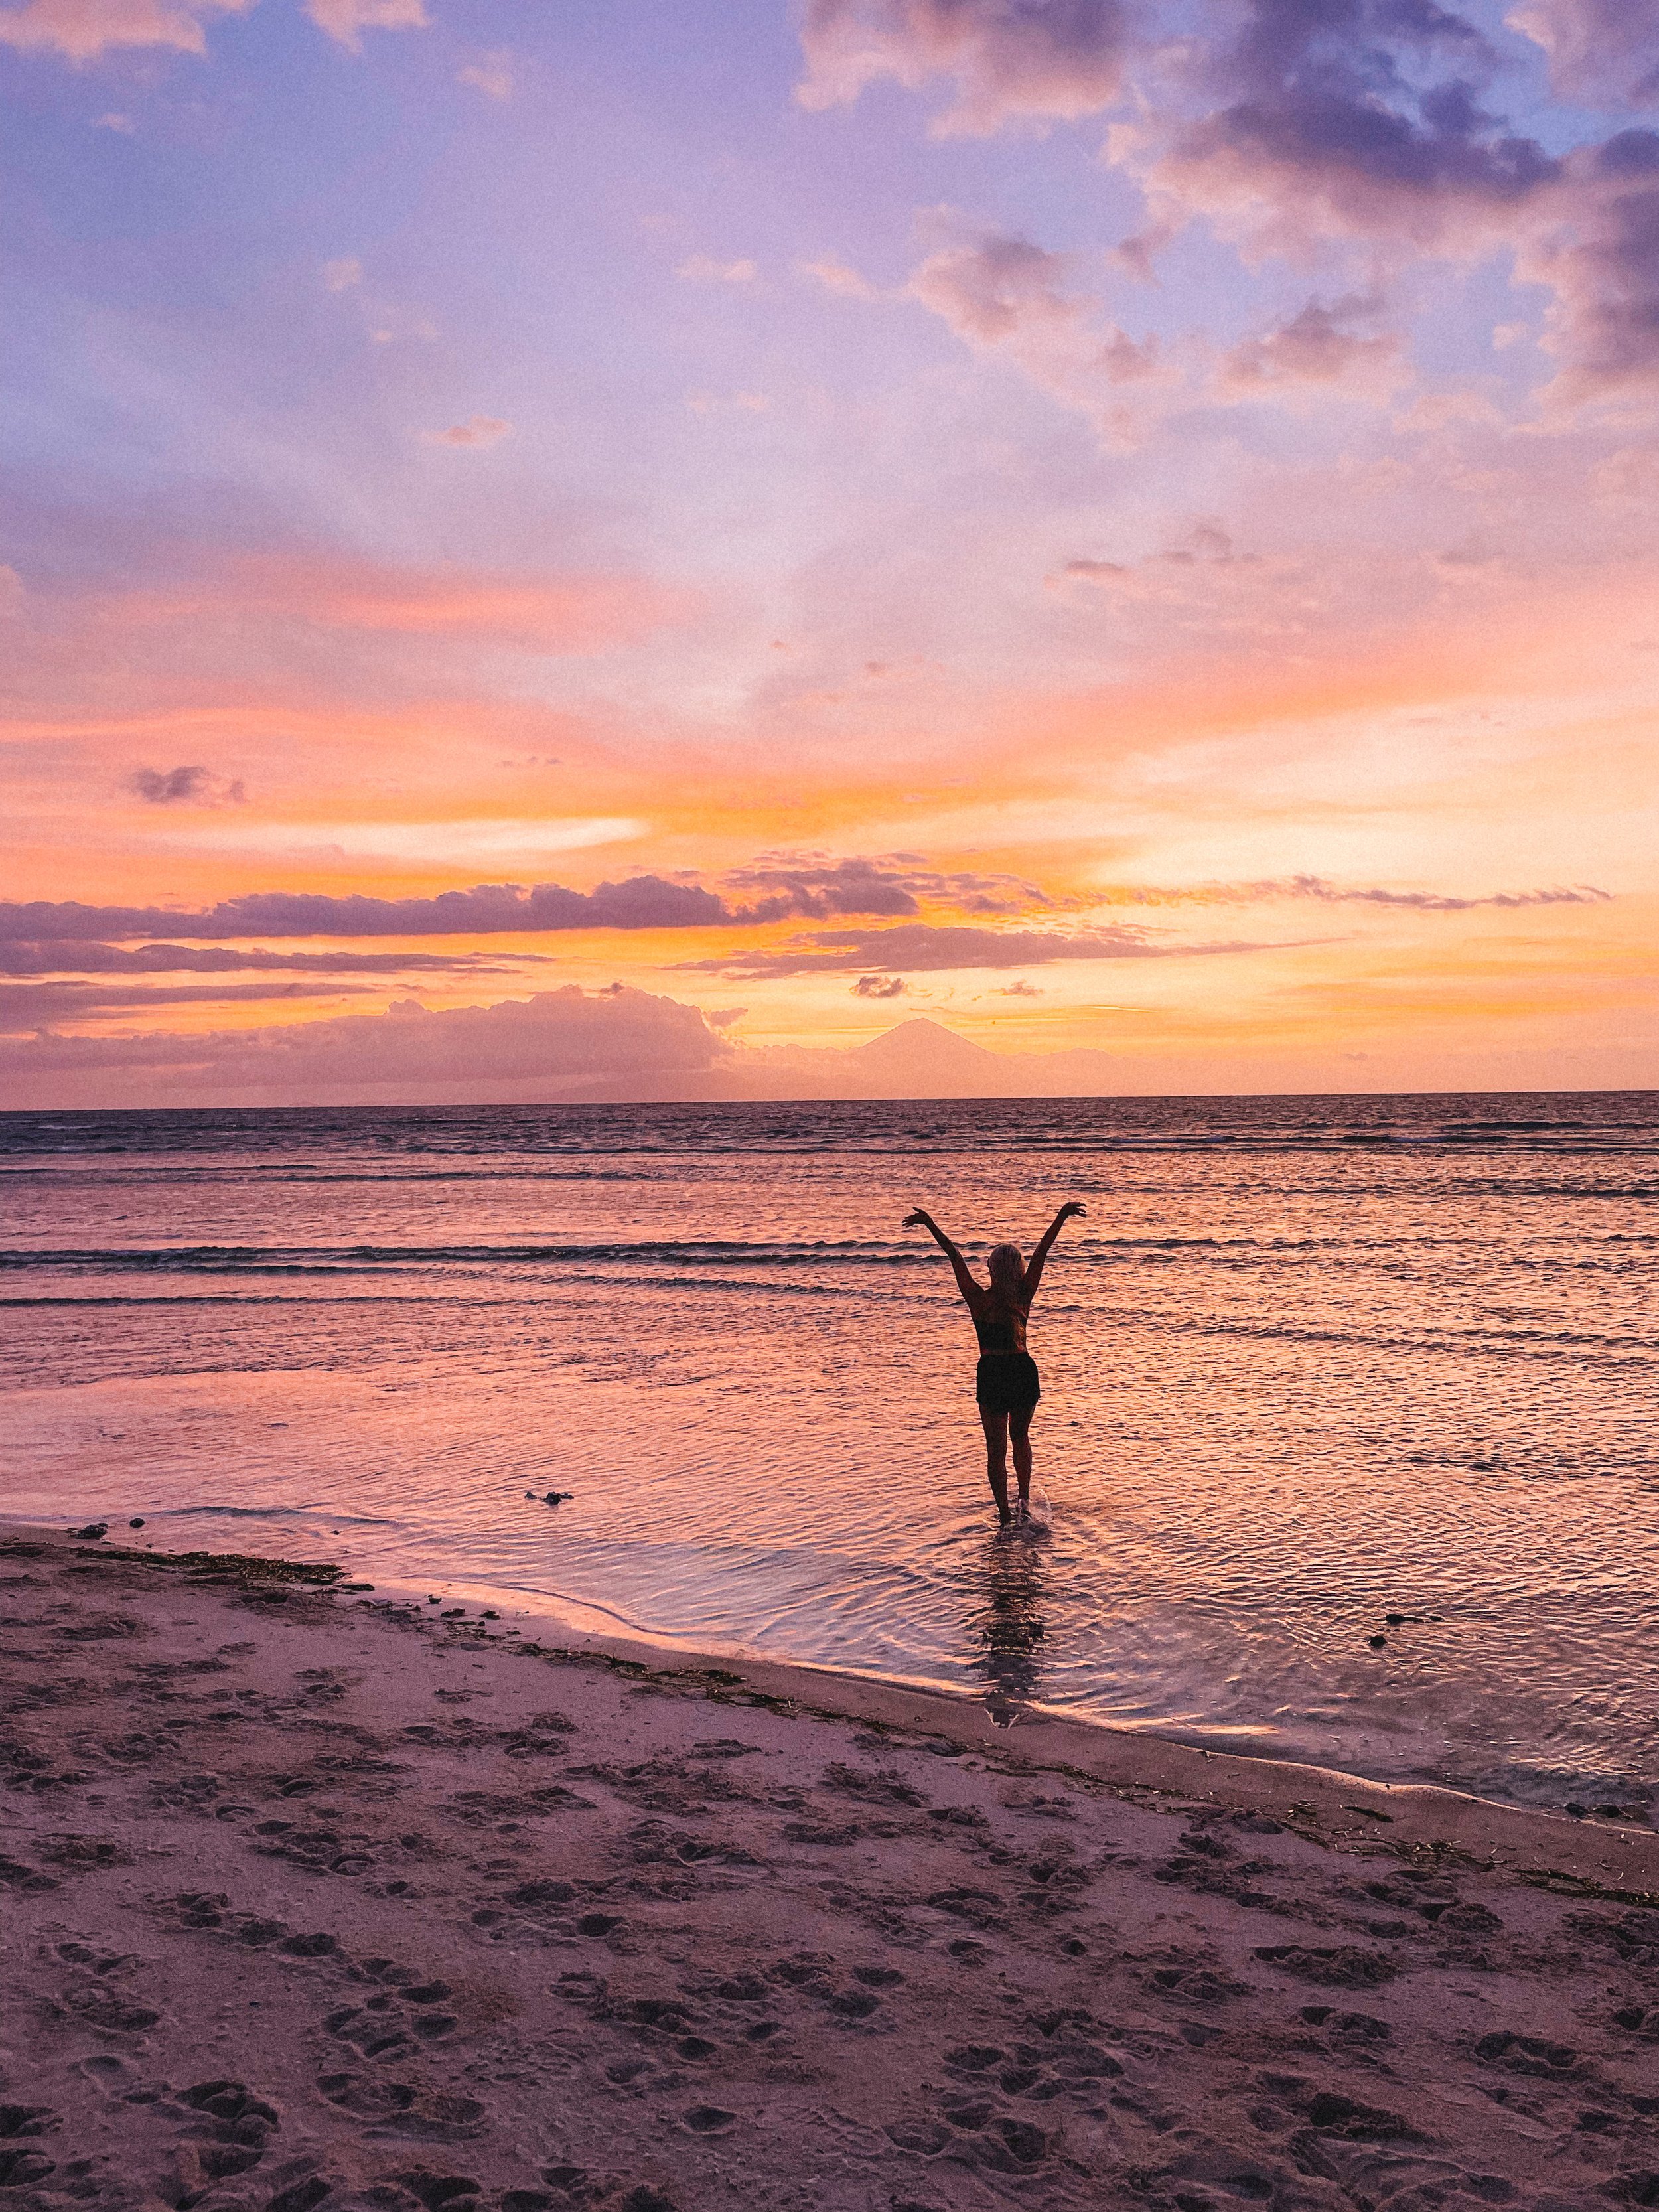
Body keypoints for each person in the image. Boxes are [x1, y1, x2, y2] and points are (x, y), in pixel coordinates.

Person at [902, 1201, 1086, 1525]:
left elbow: (954, 1257)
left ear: (991, 1269)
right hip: (1021, 1369)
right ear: (1018, 1269)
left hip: (993, 1372)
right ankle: (1024, 1501)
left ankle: (1004, 1515)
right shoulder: (1024, 1293)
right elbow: (1043, 1252)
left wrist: (931, 1224)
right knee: (1021, 1437)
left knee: (996, 1448)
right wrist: (1061, 1216)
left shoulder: (978, 1298)